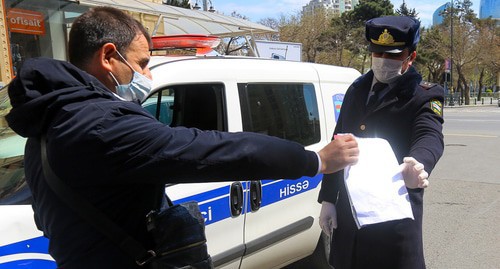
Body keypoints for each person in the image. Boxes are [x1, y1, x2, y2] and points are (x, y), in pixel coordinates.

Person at [5, 7, 359, 269]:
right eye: (142, 62)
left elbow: (46, 217)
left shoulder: (46, 125)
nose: (145, 73)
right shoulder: (99, 125)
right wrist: (316, 160)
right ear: (109, 56)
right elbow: (209, 151)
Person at [318, 16, 444, 269]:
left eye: (394, 55)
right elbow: (339, 145)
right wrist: (329, 198)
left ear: (411, 56)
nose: (383, 60)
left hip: (393, 219)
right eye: (378, 52)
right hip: (350, 217)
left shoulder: (423, 95)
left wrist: (419, 164)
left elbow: (429, 135)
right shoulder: (357, 89)